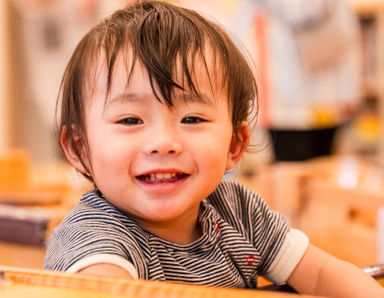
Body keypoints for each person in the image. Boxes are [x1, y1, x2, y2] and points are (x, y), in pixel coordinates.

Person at [44, 1, 383, 296]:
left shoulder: (240, 212)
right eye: (130, 120)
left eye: (191, 119)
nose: (163, 143)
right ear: (79, 148)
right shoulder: (93, 239)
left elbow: (323, 273)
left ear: (235, 145)